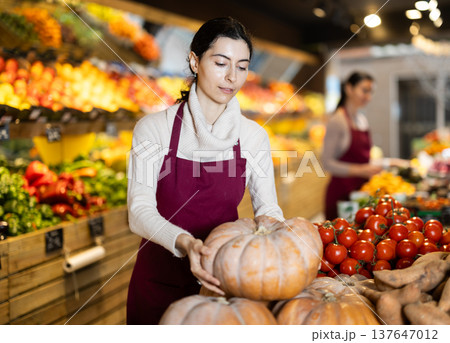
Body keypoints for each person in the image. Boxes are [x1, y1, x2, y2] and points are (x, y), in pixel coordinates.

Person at [126, 17, 283, 325]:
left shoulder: (252, 137)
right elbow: (138, 211)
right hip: (157, 285)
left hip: (221, 290)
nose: (232, 78)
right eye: (221, 63)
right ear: (195, 62)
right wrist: (186, 243)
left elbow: (269, 208)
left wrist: (279, 238)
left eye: (241, 66)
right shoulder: (154, 129)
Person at [322, 71, 383, 220]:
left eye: (371, 92)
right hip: (342, 196)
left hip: (361, 194)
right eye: (364, 90)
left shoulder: (361, 119)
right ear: (349, 89)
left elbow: (364, 158)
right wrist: (360, 170)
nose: (368, 96)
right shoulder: (338, 120)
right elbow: (326, 162)